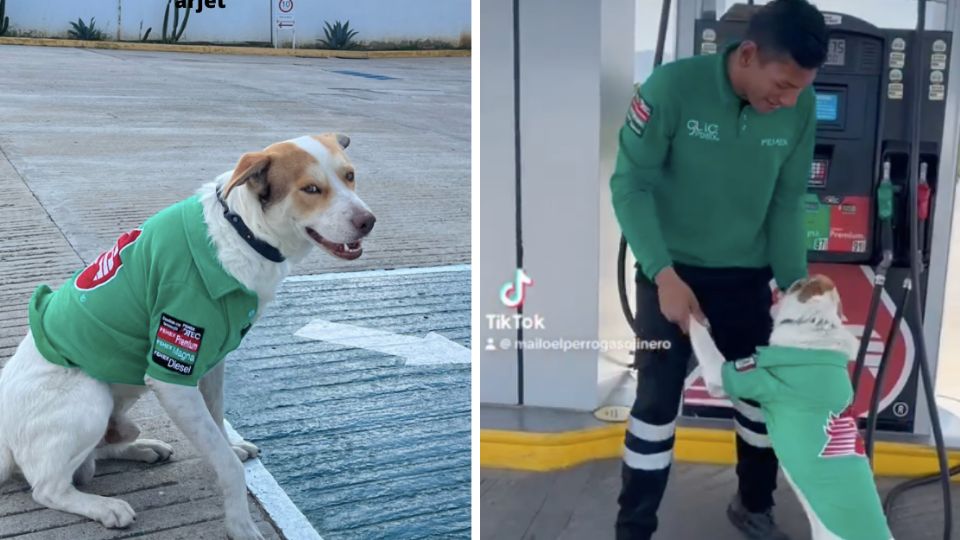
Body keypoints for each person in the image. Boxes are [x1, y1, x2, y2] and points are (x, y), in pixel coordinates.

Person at [609, 1, 828, 539]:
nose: (790, 101)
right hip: (669, 279)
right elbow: (629, 184)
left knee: (759, 402)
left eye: (800, 89)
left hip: (745, 282)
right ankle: (633, 527)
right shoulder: (671, 90)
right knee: (655, 405)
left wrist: (799, 292)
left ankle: (753, 507)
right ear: (748, 55)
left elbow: (786, 202)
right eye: (782, 85)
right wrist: (663, 274)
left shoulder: (800, 109)